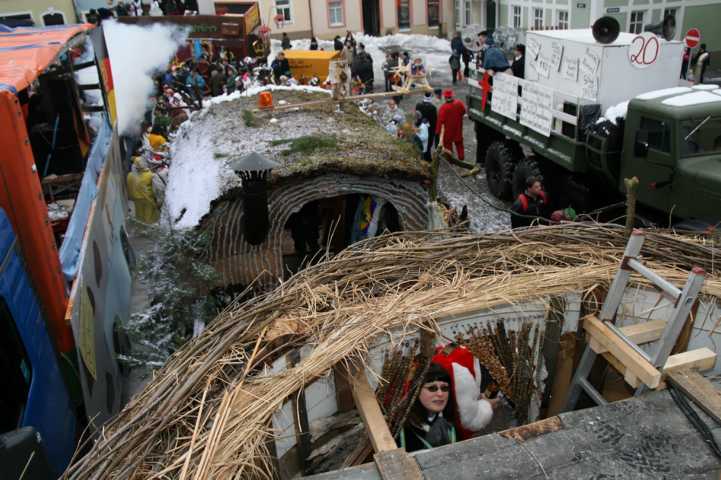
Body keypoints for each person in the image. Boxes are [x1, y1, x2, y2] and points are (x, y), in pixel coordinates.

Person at [397, 363, 457, 452]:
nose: (440, 394)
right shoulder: (400, 430)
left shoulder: (450, 424)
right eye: (432, 388)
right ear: (416, 392)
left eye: (445, 388)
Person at [127, 157, 160, 224]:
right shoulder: (150, 175)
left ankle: (140, 228)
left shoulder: (130, 175)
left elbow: (129, 188)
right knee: (149, 218)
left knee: (139, 217)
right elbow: (157, 188)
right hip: (148, 200)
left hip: (136, 200)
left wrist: (131, 197)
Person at [436, 89, 466, 160]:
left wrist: (438, 131)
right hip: (457, 129)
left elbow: (440, 122)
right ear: (452, 96)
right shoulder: (459, 103)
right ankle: (461, 158)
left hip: (447, 132)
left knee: (448, 146)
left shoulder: (443, 108)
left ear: (445, 97)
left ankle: (450, 159)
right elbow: (463, 112)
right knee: (459, 144)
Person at [415, 91, 437, 160]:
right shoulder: (433, 108)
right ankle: (427, 158)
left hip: (419, 127)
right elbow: (434, 121)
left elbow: (416, 117)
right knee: (428, 145)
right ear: (431, 97)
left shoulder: (418, 105)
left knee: (420, 143)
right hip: (429, 129)